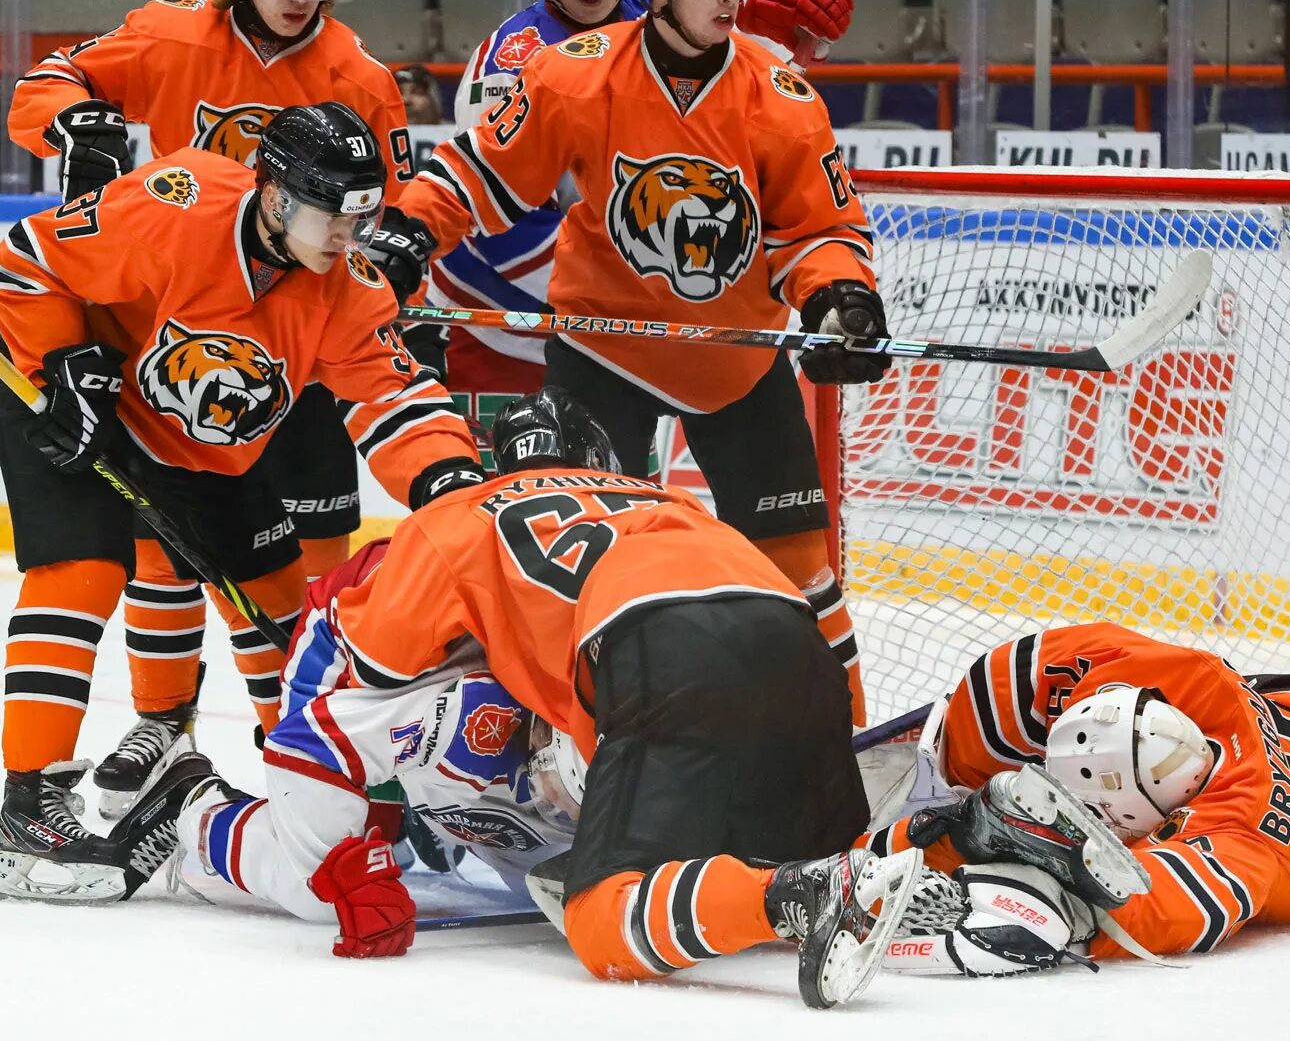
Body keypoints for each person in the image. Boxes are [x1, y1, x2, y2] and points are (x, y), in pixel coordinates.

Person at [111, 389, 925, 1009]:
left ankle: (784, 894)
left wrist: (343, 854)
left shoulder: (457, 520)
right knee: (342, 853)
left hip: (641, 678)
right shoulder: (670, 502)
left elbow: (329, 682)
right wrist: (354, 835)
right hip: (788, 652)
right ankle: (190, 813)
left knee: (596, 922)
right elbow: (337, 704)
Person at [376, 0, 882, 723]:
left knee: (802, 569)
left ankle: (845, 739)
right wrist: (405, 235)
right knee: (572, 561)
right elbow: (479, 174)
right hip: (603, 349)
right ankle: (558, 743)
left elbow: (818, 227)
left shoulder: (779, 94)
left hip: (734, 356)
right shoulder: (576, 74)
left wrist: (843, 301)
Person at [0, 104, 484, 903]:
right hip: (82, 402)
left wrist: (448, 483)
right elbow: (23, 259)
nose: (352, 237)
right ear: (279, 197)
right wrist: (58, 363)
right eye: (336, 216)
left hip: (207, 442)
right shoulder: (175, 205)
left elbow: (395, 402)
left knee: (286, 614)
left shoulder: (348, 288)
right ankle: (27, 810)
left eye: (367, 216)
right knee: (83, 572)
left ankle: (318, 781)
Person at [6, 0, 423, 816]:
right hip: (187, 326)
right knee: (163, 540)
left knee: (303, 560)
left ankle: (317, 743)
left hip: (301, 338)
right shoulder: (167, 35)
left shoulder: (359, 76)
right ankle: (166, 725)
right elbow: (47, 84)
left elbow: (379, 214)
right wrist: (73, 122)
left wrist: (396, 258)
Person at [409, 0, 858, 426]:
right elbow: (497, 223)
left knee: (629, 502)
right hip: (503, 322)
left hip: (620, 320)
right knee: (518, 503)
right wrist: (647, 293)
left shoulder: (667, 19)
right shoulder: (510, 63)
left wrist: (778, 35)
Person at [871, 622, 1290, 972]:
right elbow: (1002, 682)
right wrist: (961, 779)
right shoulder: (1194, 679)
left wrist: (975, 857)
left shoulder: (1240, 845)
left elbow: (1130, 907)